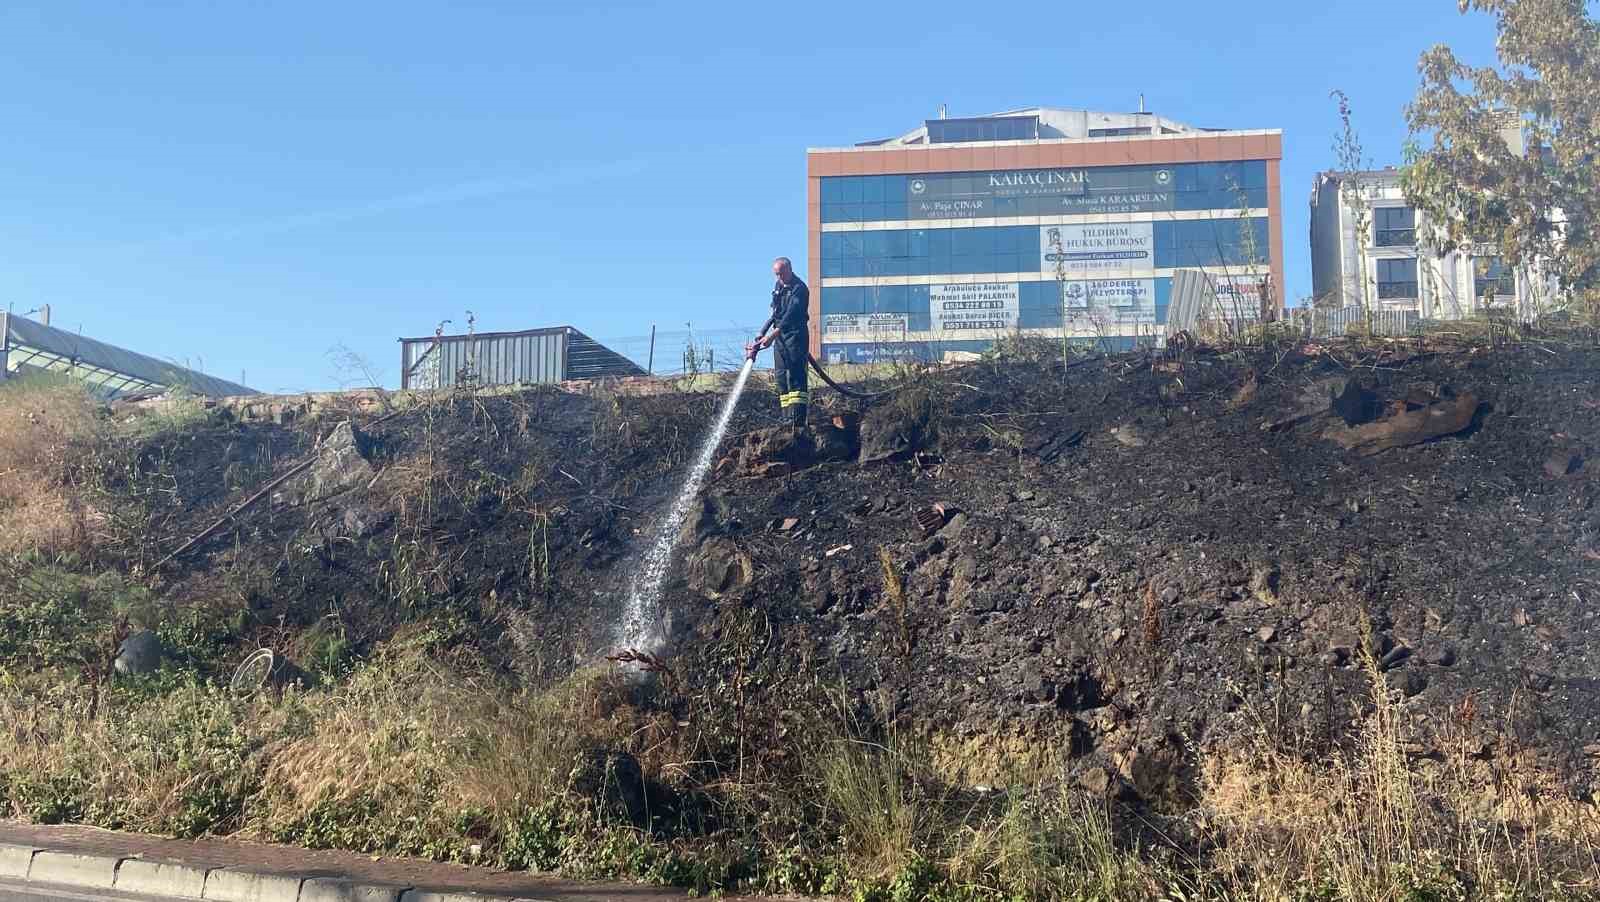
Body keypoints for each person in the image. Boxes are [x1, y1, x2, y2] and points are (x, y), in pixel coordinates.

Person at [748, 257, 810, 430]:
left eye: (781, 274)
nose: (779, 278)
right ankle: (786, 418)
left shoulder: (800, 289)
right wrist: (761, 333)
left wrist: (772, 336)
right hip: (780, 339)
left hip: (796, 337)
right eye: (776, 275)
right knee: (781, 377)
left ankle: (798, 419)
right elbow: (775, 315)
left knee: (796, 377)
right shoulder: (778, 288)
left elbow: (790, 316)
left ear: (790, 269)